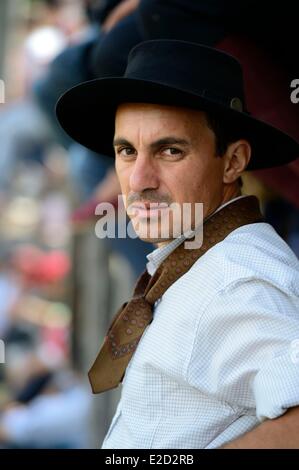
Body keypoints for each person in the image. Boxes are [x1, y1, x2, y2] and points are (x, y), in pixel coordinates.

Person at [56, 40, 299, 448]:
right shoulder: (199, 257)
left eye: (170, 151)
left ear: (234, 161)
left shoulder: (238, 282)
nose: (138, 181)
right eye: (127, 151)